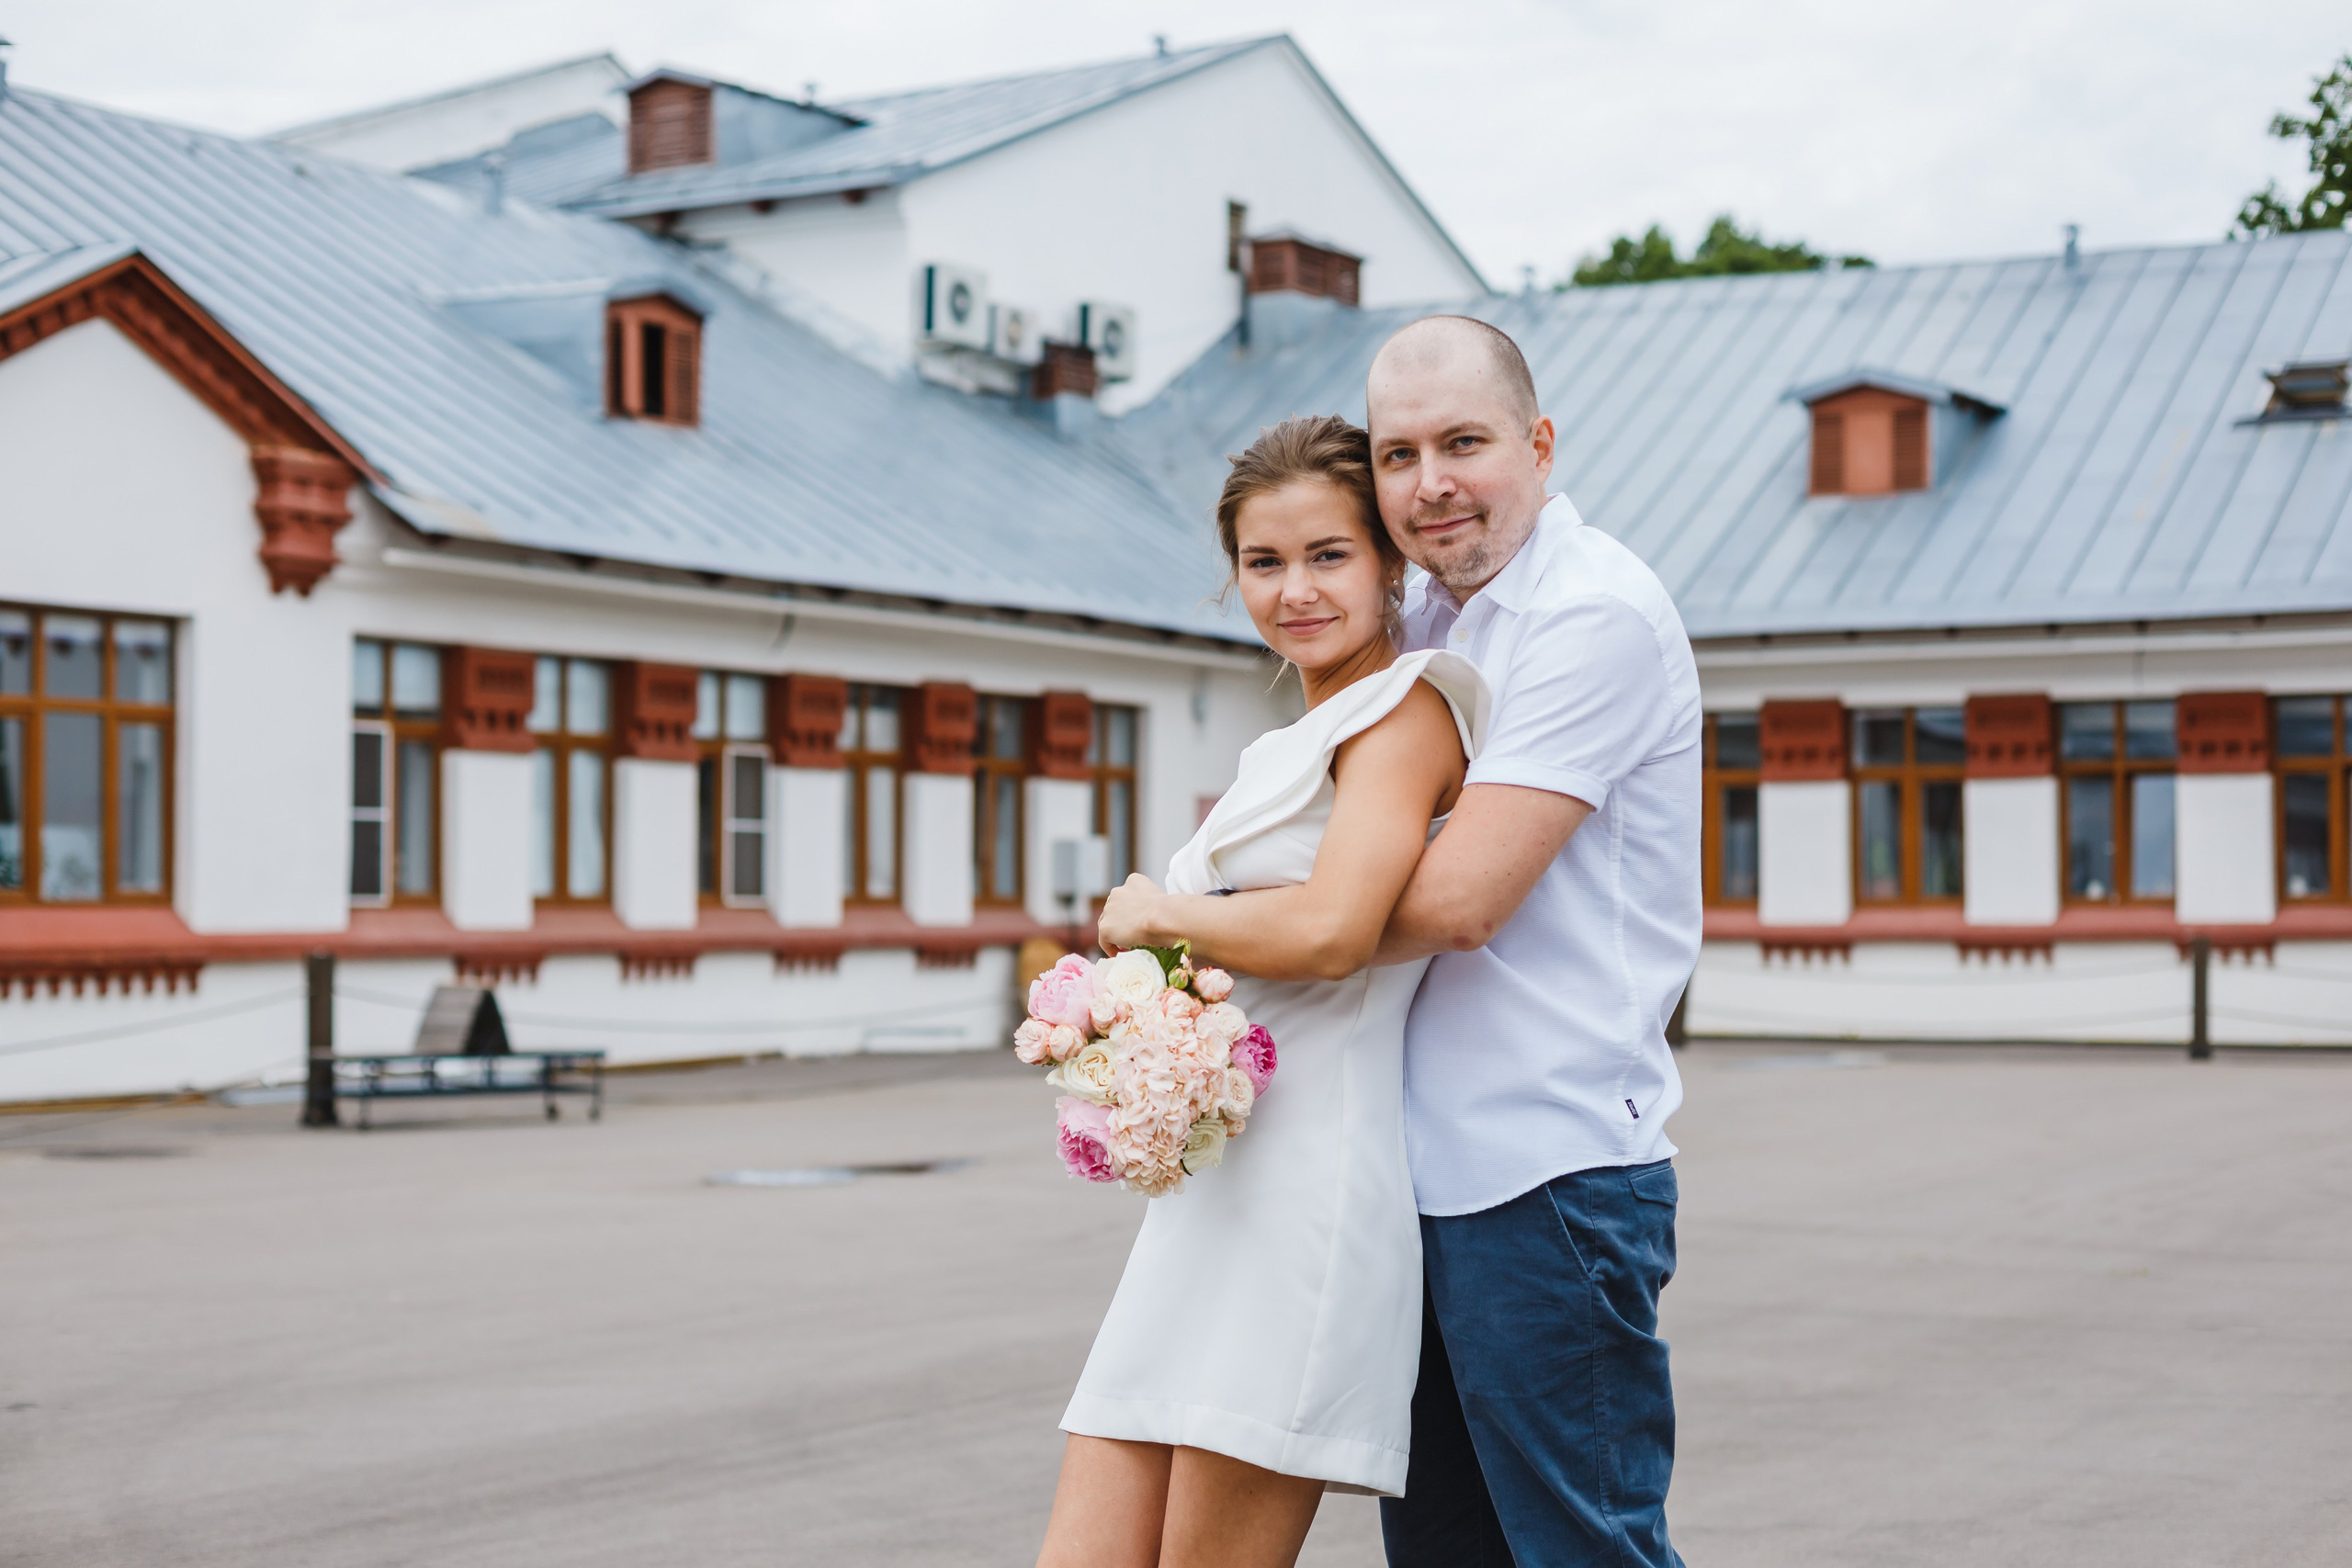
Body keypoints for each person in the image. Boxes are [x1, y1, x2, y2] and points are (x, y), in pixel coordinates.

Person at [1035, 414, 1491, 1568]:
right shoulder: (1282, 743)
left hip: (1307, 1197)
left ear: (1390, 559)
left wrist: (1153, 916)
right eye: (1263, 561)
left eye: (1328, 555)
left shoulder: (1407, 712)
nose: (1295, 590)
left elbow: (1337, 930)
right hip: (1210, 1200)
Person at [1366, 315, 1702, 1567]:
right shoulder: (1426, 628)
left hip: (1546, 1177)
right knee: (1447, 1553)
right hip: (1416, 1176)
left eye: (1463, 442)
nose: (1430, 482)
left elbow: (1461, 899)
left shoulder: (1592, 612)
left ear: (1541, 444)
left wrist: (1227, 929)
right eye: (1398, 454)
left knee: (1582, 1550)